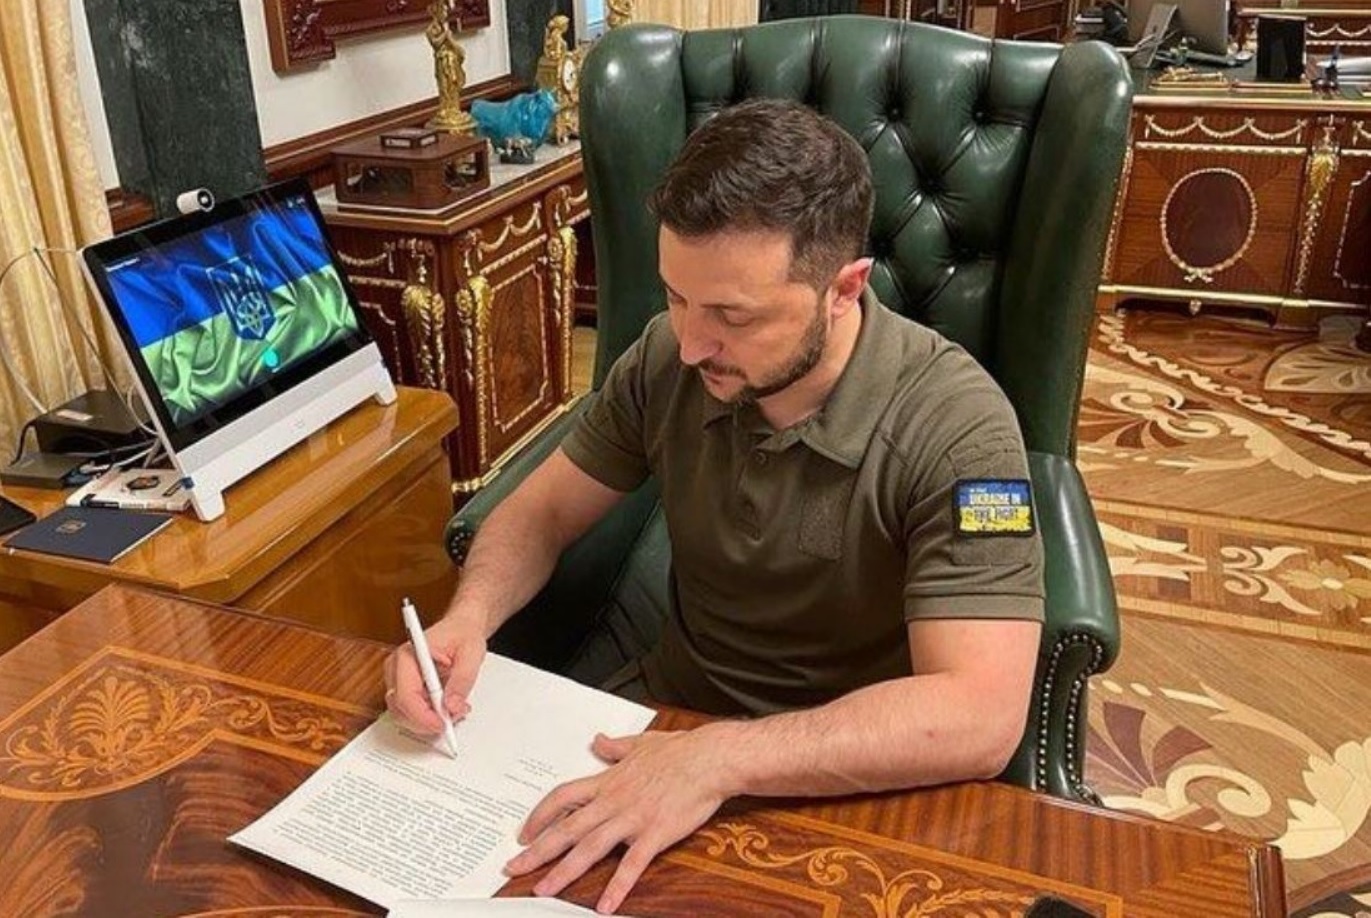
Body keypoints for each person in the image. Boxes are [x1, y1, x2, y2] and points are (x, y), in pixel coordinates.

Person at [385, 98, 1044, 914]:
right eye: (676, 297)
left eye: (733, 316)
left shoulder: (961, 431)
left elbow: (980, 714)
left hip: (850, 773)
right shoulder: (667, 356)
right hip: (667, 721)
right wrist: (468, 619)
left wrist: (722, 758)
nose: (692, 344)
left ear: (843, 290)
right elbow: (541, 512)